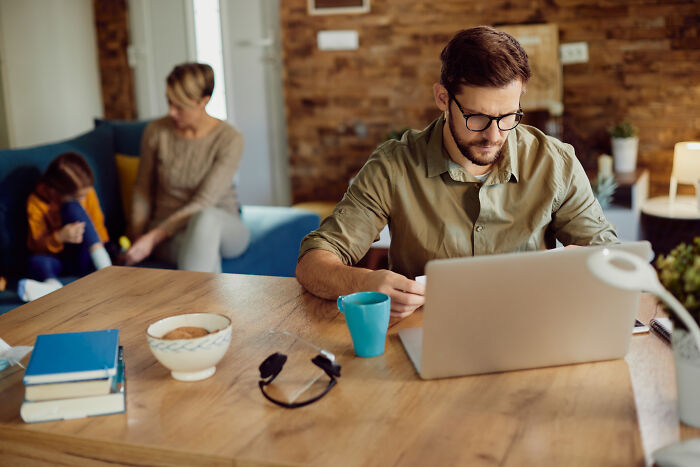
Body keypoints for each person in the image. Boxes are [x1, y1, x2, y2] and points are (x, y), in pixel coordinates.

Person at [296, 26, 618, 318]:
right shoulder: (394, 166)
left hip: (530, 328)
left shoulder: (554, 162)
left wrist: (588, 260)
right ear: (442, 98)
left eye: (508, 116)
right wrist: (364, 281)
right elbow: (314, 263)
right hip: (425, 334)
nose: (494, 136)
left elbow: (612, 256)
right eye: (477, 117)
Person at [124, 62, 250, 272]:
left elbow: (204, 202)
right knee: (200, 250)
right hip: (172, 233)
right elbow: (142, 188)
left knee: (206, 219)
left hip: (223, 226)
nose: (172, 112)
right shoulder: (156, 132)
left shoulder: (230, 139)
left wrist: (153, 238)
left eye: (180, 106)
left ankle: (199, 303)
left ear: (203, 101)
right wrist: (137, 234)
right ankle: (208, 305)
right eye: (169, 102)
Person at [19, 152, 112, 301]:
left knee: (73, 208)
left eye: (85, 195)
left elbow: (98, 227)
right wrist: (59, 237)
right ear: (55, 192)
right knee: (36, 262)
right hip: (57, 259)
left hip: (87, 254)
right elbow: (35, 244)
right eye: (77, 197)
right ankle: (52, 287)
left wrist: (103, 247)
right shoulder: (36, 202)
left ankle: (106, 267)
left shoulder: (87, 193)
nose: (84, 200)